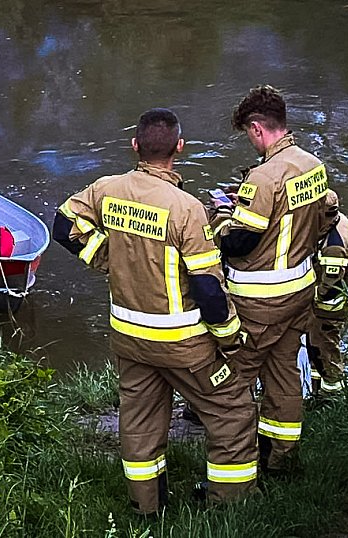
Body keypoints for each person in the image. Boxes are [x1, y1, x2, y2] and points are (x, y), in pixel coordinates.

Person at [53, 108, 258, 514]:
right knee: (232, 410)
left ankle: (146, 507)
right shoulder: (186, 208)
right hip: (184, 344)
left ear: (135, 146)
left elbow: (63, 226)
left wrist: (104, 256)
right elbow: (209, 291)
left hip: (129, 338)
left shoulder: (106, 190)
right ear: (179, 148)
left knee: (139, 421)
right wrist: (231, 339)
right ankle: (229, 506)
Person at [210, 85, 329, 474]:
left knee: (231, 380)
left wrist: (221, 218)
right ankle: (280, 460)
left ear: (258, 128)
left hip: (261, 300)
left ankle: (234, 471)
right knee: (283, 376)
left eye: (248, 132)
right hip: (300, 290)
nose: (250, 140)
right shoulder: (313, 166)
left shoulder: (263, 177)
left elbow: (240, 242)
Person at [306, 189, 348, 396]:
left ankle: (331, 396)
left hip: (330, 308)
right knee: (317, 347)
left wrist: (310, 299)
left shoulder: (333, 248)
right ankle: (316, 386)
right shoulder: (341, 221)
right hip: (340, 298)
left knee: (326, 348)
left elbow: (329, 289)